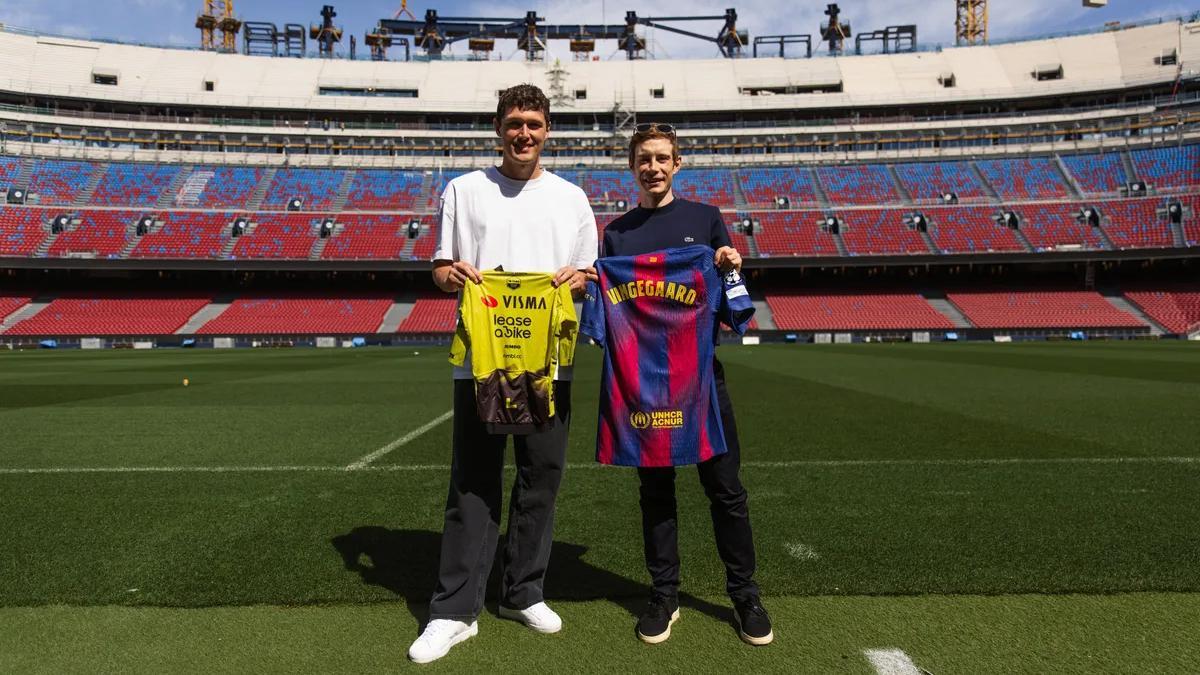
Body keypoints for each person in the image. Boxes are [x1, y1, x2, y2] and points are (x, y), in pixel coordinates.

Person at [407, 84, 597, 664]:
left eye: (534, 124)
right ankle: (453, 610)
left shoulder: (572, 199)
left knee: (541, 477)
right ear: (497, 127)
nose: (524, 134)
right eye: (515, 123)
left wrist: (577, 280)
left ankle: (523, 592)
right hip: (482, 364)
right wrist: (451, 275)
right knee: (473, 481)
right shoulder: (464, 190)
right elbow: (440, 269)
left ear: (547, 131)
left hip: (548, 365)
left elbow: (590, 276)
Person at [598, 123, 772, 646]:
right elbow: (608, 308)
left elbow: (733, 300)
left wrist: (731, 262)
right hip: (642, 386)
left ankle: (745, 596)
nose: (652, 167)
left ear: (678, 163)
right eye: (642, 159)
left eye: (661, 158)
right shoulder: (617, 234)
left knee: (726, 489)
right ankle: (664, 593)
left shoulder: (705, 219)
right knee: (655, 492)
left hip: (700, 382)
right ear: (632, 167)